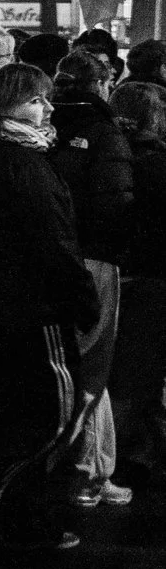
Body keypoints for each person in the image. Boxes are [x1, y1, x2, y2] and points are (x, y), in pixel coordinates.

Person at [0, 62, 102, 549]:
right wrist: (82, 300)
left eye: (46, 98)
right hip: (37, 312)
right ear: (4, 105)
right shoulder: (24, 164)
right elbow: (53, 242)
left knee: (14, 414)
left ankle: (1, 509)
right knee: (52, 416)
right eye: (35, 99)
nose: (47, 107)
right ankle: (0, 504)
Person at [48, 48, 136, 508]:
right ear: (101, 85)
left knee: (63, 367)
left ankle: (91, 470)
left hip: (52, 258)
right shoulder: (105, 132)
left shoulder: (43, 126)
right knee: (91, 369)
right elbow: (115, 203)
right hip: (94, 261)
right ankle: (80, 474)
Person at [108, 81, 166, 487]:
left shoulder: (106, 154)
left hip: (113, 271)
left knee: (120, 372)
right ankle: (137, 455)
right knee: (142, 373)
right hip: (151, 275)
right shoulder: (157, 163)